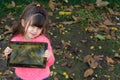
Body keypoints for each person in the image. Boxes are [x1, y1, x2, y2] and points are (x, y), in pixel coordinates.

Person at [4, 2, 55, 80]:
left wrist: (48, 57)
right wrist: (9, 56)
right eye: (32, 26)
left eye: (39, 28)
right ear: (23, 23)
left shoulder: (44, 40)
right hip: (23, 77)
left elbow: (50, 62)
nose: (35, 31)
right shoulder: (16, 40)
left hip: (42, 77)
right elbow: (15, 64)